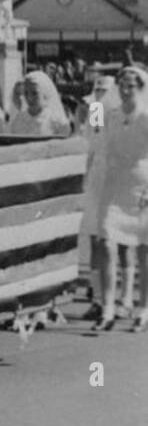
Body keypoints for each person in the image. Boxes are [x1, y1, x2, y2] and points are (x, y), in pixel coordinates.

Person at [95, 65, 148, 330]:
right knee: (106, 242)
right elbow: (100, 144)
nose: (126, 91)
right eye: (122, 86)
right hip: (114, 185)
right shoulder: (111, 115)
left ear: (141, 88)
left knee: (142, 249)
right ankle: (107, 308)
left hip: (142, 186)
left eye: (132, 86)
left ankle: (143, 307)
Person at [78, 75, 116, 320]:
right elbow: (89, 147)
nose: (100, 94)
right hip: (95, 181)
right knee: (94, 240)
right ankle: (97, 297)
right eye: (97, 90)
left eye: (105, 90)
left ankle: (119, 299)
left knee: (114, 244)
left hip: (116, 181)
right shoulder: (95, 112)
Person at [7, 71, 72, 136]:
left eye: (35, 93)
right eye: (26, 93)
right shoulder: (18, 121)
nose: (30, 98)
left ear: (44, 92)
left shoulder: (57, 122)